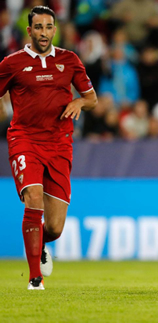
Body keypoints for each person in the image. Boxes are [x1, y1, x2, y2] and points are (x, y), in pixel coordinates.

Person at [0, 6, 97, 290]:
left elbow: (91, 98)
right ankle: (35, 279)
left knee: (54, 227)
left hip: (59, 145)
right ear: (29, 31)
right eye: (38, 27)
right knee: (33, 197)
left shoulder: (69, 60)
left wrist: (78, 102)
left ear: (55, 29)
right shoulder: (12, 63)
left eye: (48, 27)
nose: (44, 32)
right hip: (25, 140)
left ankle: (39, 244)